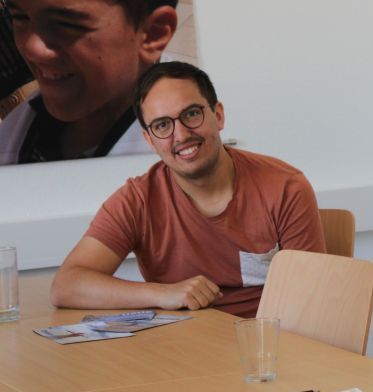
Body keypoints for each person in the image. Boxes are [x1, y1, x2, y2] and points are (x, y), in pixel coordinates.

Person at [50, 61, 326, 317]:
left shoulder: (284, 187)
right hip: (182, 354)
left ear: (218, 115)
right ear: (149, 139)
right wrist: (162, 293)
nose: (181, 135)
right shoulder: (138, 200)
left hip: (268, 352)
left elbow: (309, 303)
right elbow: (67, 285)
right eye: (162, 125)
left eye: (191, 114)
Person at [0, 0, 178, 164]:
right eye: (20, 17)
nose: (33, 49)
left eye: (66, 24)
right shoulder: (21, 126)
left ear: (152, 34)